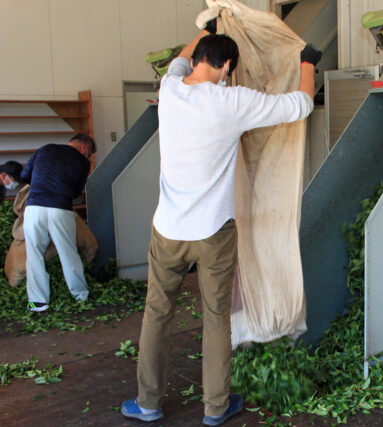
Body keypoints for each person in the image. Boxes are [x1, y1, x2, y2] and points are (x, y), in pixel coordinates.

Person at [120, 18, 322, 427]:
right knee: (215, 320)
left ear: (197, 58)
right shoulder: (232, 103)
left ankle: (148, 404)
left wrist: (205, 28)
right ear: (228, 67)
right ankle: (215, 408)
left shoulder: (170, 89)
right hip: (213, 233)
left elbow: (179, 58)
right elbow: (300, 104)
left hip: (168, 230)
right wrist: (307, 63)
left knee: (157, 314)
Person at [20, 133, 95, 312]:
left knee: (34, 254)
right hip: (60, 209)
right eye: (90, 153)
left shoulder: (45, 149)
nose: (88, 156)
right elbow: (76, 191)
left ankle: (38, 302)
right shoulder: (83, 162)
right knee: (68, 252)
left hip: (34, 208)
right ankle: (80, 295)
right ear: (84, 148)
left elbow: (24, 175)